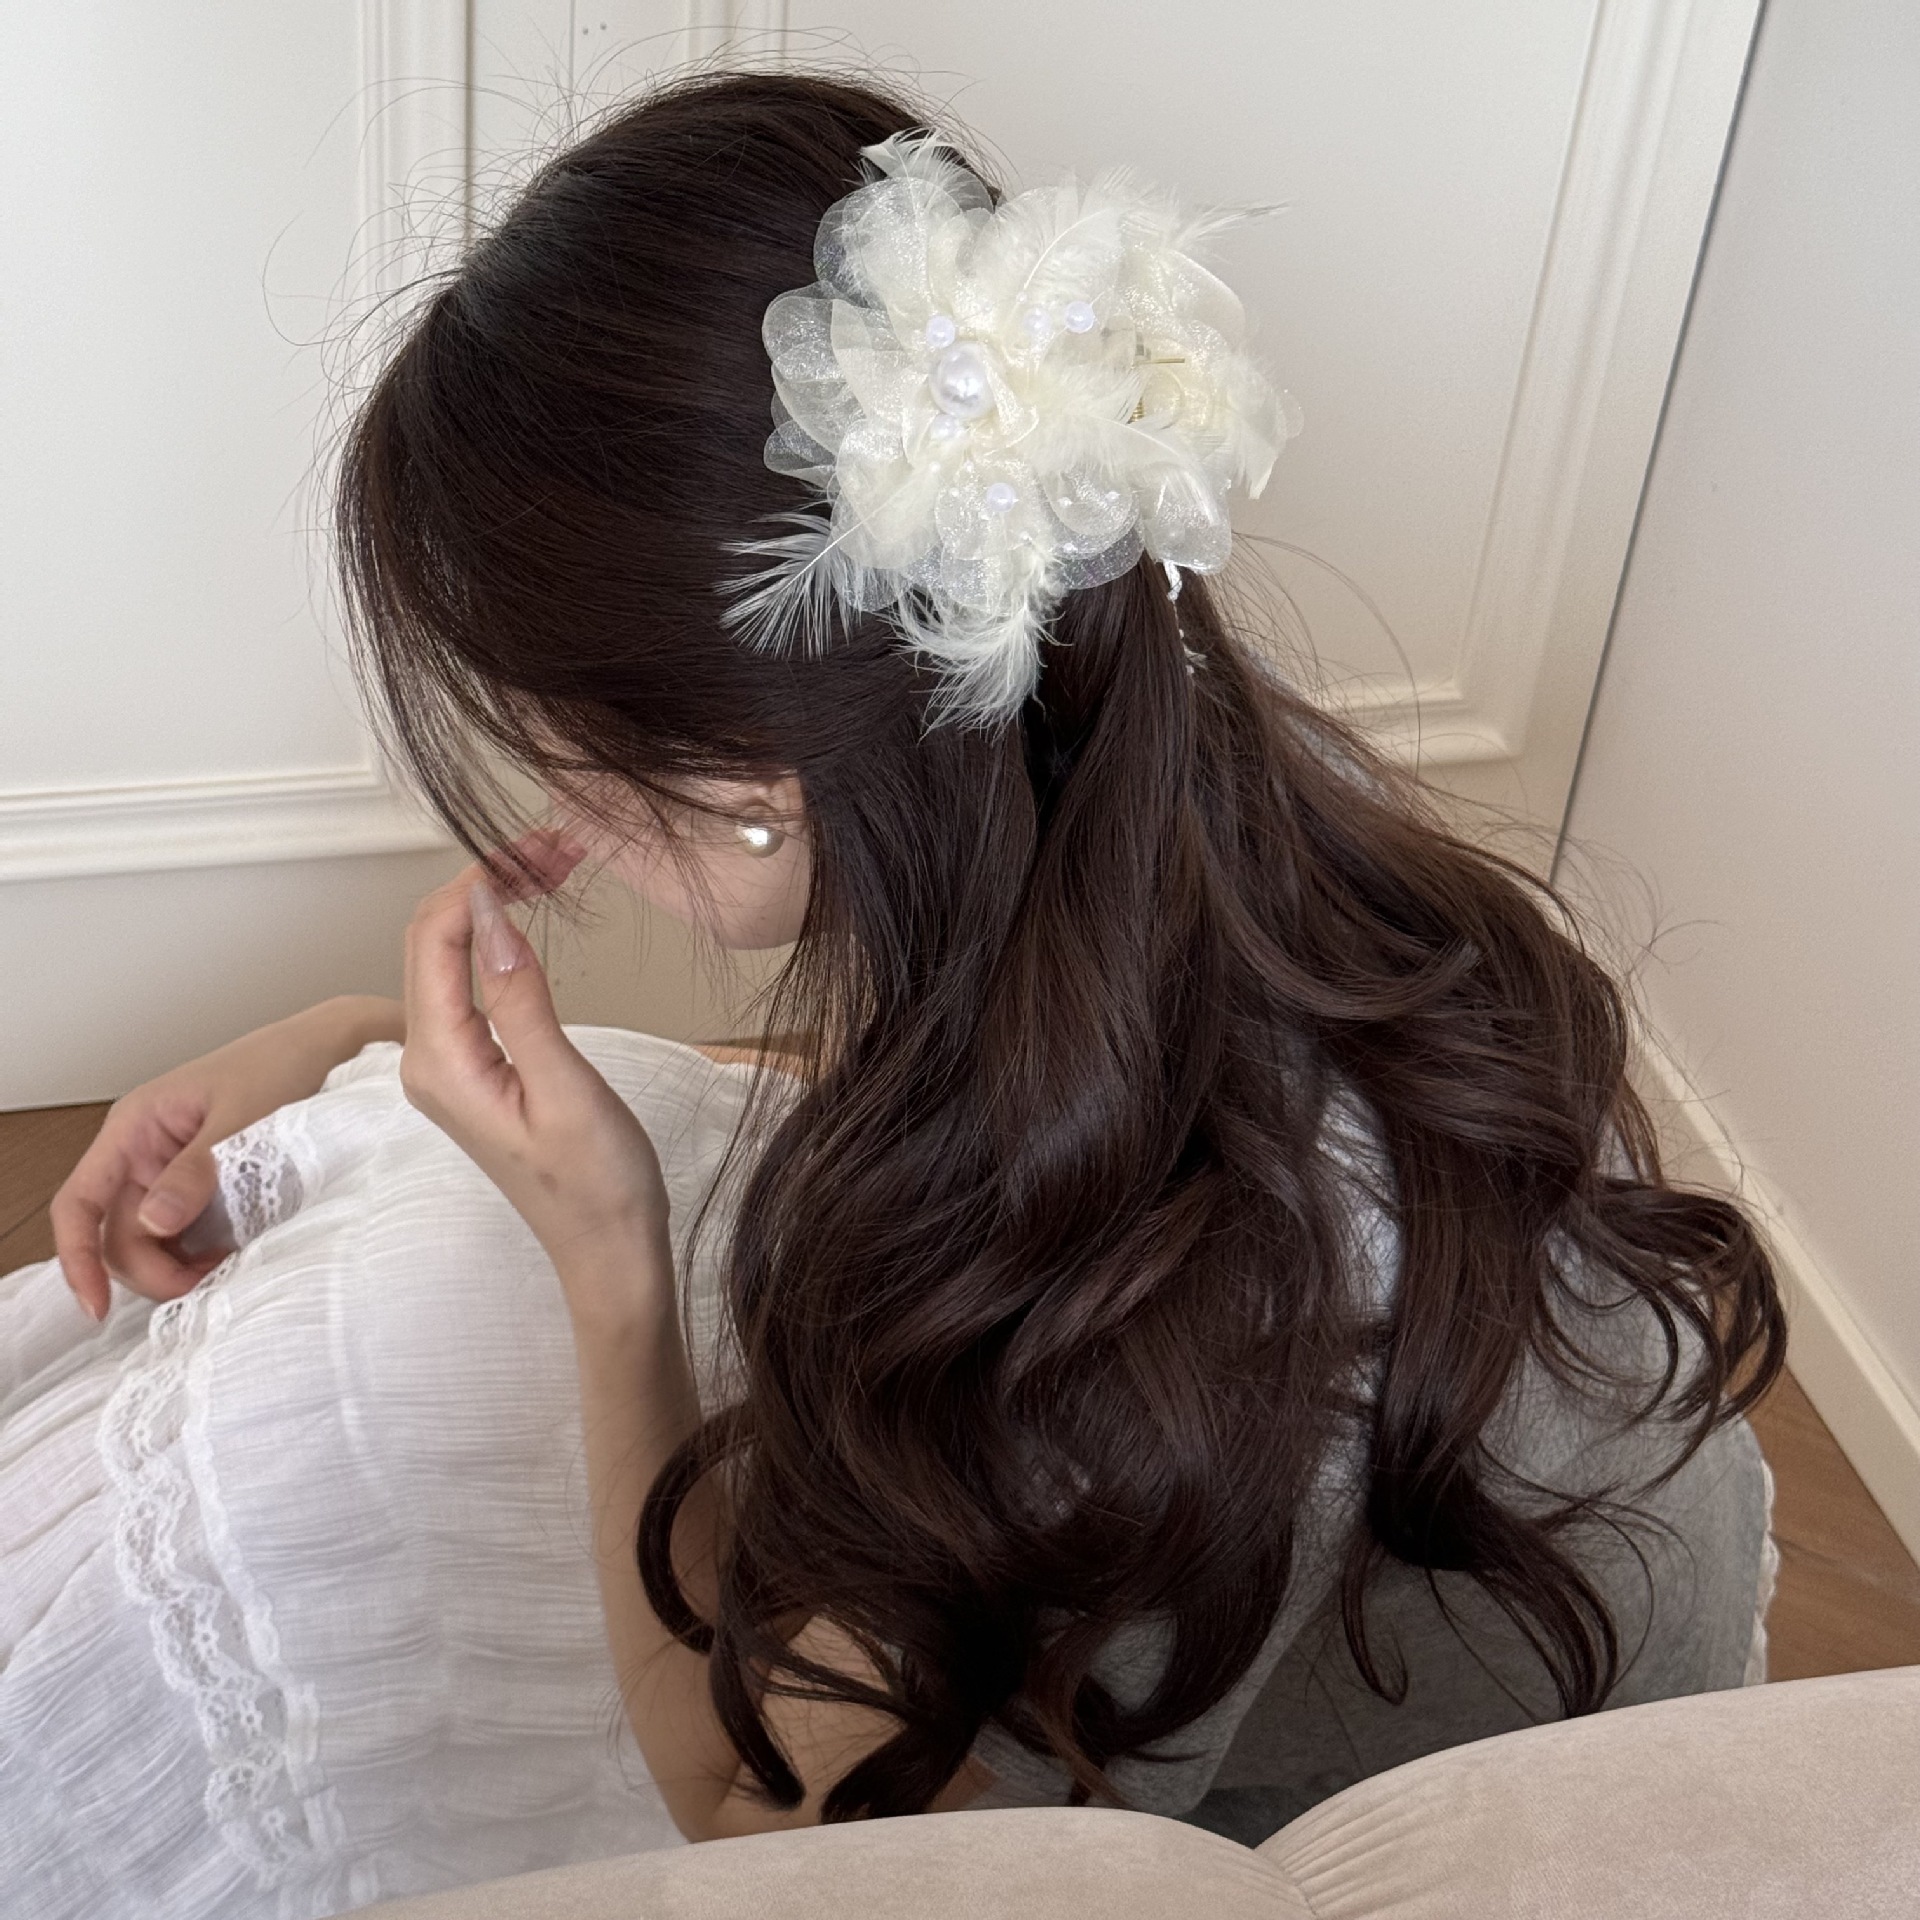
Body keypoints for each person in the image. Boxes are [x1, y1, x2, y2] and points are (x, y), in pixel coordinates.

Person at [1, 68, 1783, 1917]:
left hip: (1429, 1837)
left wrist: (612, 1268)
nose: (559, 819)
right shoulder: (1150, 784)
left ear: (759, 776)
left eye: (567, 752)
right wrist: (343, 1050)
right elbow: (966, 1083)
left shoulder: (1167, 1329)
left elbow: (783, 1835)